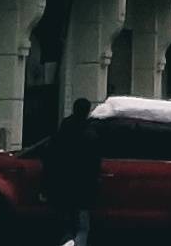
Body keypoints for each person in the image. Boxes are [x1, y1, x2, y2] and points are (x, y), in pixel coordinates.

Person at [44, 96, 105, 246]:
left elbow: (51, 155)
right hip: (84, 188)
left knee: (65, 226)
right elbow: (95, 164)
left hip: (64, 186)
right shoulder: (91, 134)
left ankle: (67, 242)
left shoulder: (63, 131)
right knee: (82, 227)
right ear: (87, 111)